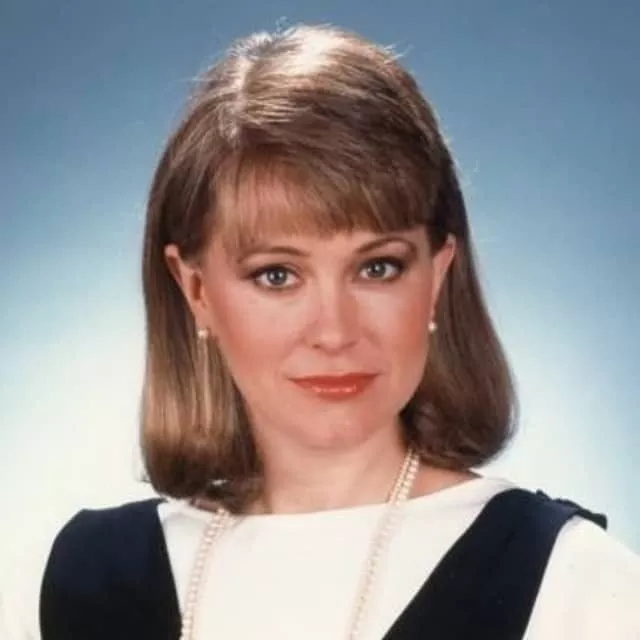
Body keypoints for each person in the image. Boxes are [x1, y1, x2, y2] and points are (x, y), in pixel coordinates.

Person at [1, 23, 639, 640]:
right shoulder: (61, 589)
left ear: (438, 275)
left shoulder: (576, 586)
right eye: (277, 275)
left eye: (377, 268)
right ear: (195, 290)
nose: (334, 332)